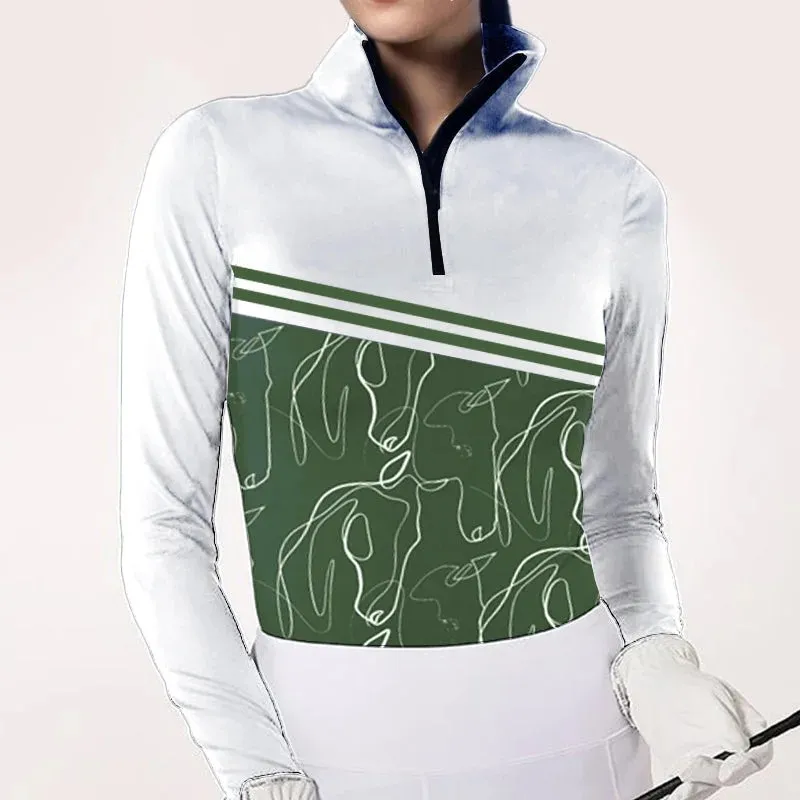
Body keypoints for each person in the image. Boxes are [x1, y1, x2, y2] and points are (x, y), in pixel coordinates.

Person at [118, 1, 775, 799]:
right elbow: (165, 527)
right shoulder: (220, 157)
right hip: (325, 751)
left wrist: (657, 662)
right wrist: (255, 766)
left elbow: (619, 508)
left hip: (581, 746)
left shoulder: (612, 192)